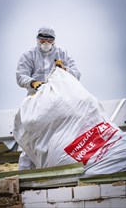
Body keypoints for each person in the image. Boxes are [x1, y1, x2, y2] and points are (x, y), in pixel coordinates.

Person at [16, 26, 81, 169]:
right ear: (37, 40)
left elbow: (77, 74)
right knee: (32, 137)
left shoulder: (62, 54)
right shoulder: (29, 55)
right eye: (42, 39)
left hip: (58, 101)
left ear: (54, 41)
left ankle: (57, 168)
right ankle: (25, 173)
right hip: (36, 101)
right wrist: (32, 82)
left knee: (59, 136)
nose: (45, 42)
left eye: (48, 40)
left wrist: (65, 69)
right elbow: (20, 75)